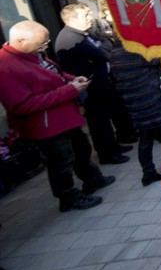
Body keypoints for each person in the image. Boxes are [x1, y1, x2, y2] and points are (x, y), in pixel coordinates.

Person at [0, 20, 114, 211]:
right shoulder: (5, 67)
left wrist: (72, 80)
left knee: (81, 148)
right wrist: (69, 90)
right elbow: (22, 105)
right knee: (61, 161)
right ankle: (68, 198)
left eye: (46, 43)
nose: (45, 47)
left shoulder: (32, 53)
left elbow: (55, 74)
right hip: (47, 124)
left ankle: (92, 180)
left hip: (64, 115)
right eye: (41, 44)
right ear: (20, 41)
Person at [55, 3, 130, 165]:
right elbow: (101, 55)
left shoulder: (81, 34)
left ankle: (114, 147)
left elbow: (99, 53)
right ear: (72, 19)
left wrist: (101, 50)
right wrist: (107, 43)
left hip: (100, 85)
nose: (91, 18)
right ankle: (107, 154)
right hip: (91, 90)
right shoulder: (71, 38)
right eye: (86, 15)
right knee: (99, 123)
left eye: (90, 13)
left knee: (105, 119)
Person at [109, 40, 161, 186]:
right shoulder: (138, 49)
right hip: (153, 101)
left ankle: (148, 173)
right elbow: (159, 59)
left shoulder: (114, 52)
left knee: (145, 140)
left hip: (134, 104)